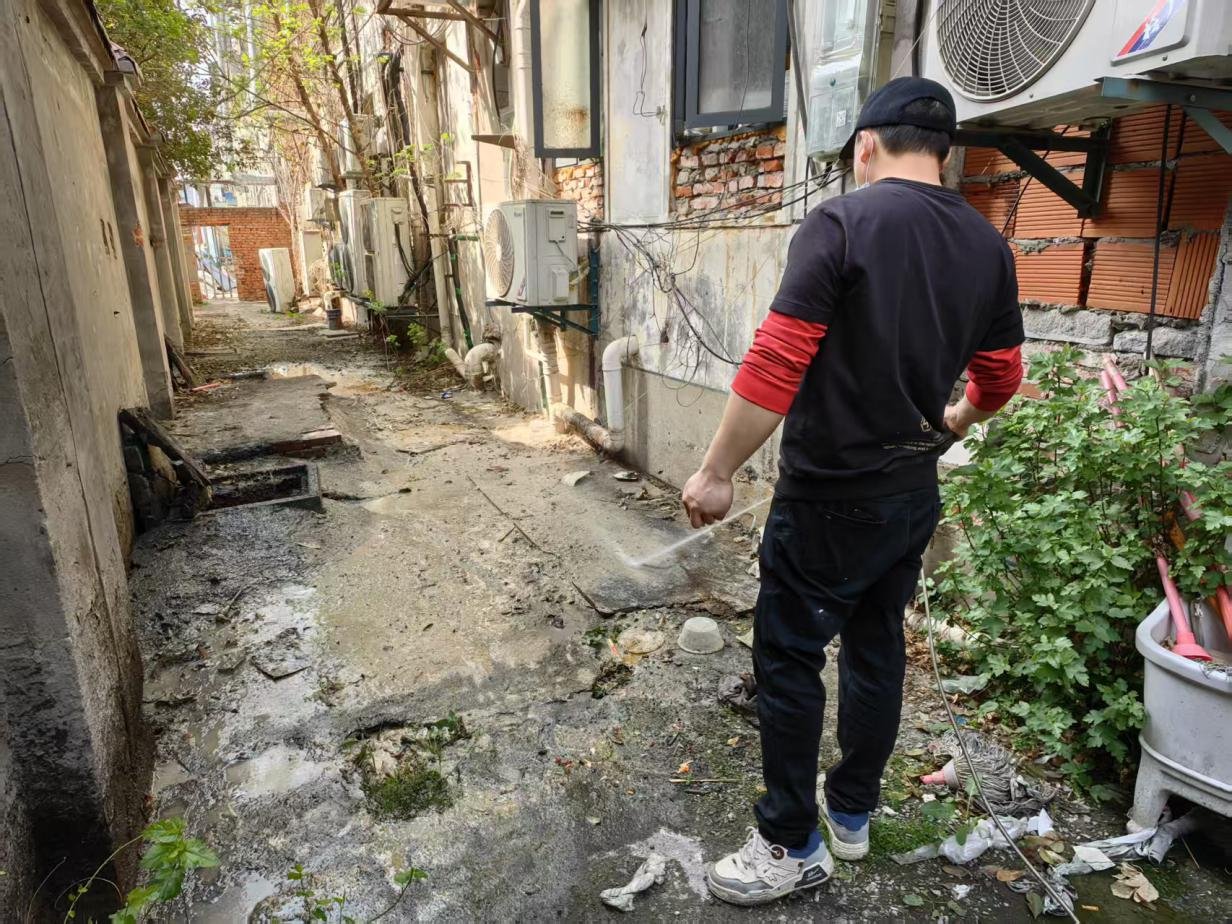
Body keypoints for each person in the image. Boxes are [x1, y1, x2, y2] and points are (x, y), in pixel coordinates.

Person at [683, 77, 1025, 907]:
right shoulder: (988, 246)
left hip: (829, 500)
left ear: (865, 145)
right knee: (876, 650)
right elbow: (1002, 375)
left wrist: (717, 471)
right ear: (944, 153)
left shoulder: (840, 223)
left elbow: (776, 362)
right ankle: (852, 814)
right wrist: (955, 421)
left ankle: (790, 842)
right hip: (910, 496)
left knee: (789, 658)